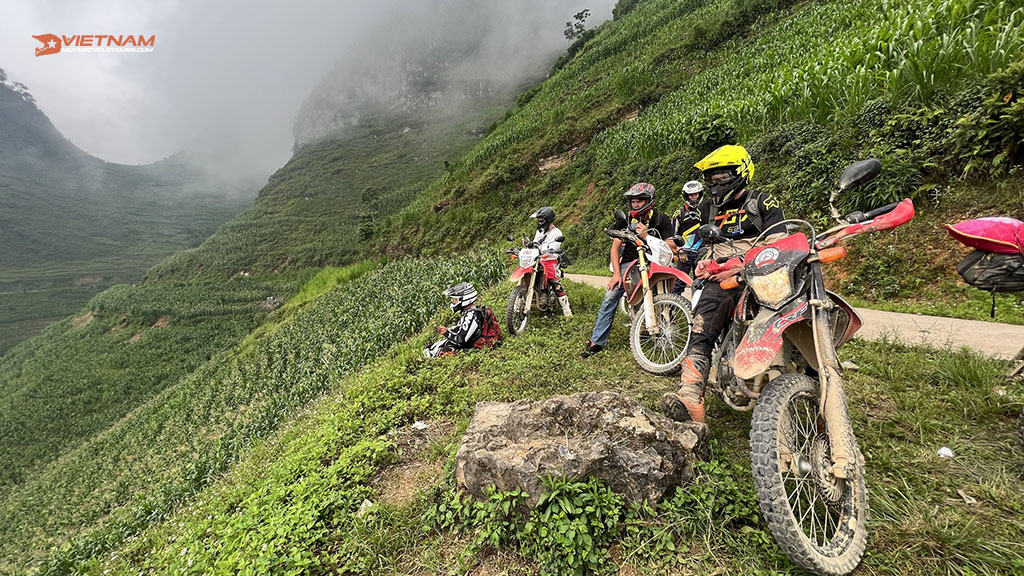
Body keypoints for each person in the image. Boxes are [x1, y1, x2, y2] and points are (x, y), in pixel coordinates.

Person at [660, 145, 786, 423]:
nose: (717, 183)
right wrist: (703, 261)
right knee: (701, 326)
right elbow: (704, 245)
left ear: (741, 172)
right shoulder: (708, 209)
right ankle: (691, 394)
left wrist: (744, 263)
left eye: (723, 176)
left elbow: (779, 242)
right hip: (722, 280)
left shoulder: (763, 202)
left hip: (763, 274)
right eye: (712, 178)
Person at [581, 182, 677, 358]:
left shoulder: (661, 219)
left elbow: (671, 245)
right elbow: (615, 247)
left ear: (649, 201)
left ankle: (670, 322)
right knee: (610, 297)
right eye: (633, 201)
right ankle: (597, 341)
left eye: (640, 200)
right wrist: (616, 274)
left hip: (652, 261)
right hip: (629, 264)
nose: (636, 204)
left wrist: (647, 236)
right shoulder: (624, 219)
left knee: (668, 290)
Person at [424, 282, 495, 357]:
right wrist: (451, 329)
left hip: (477, 346)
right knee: (432, 346)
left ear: (465, 299)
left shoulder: (472, 314)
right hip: (474, 341)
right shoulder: (473, 311)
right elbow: (464, 329)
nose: (453, 302)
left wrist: (446, 332)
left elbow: (461, 340)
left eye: (455, 300)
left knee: (436, 351)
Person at [530, 206, 572, 317]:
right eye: (538, 220)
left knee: (554, 281)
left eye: (541, 220)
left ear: (548, 220)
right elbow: (535, 243)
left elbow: (554, 247)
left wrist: (546, 250)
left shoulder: (557, 233)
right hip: (537, 258)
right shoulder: (539, 231)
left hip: (550, 259)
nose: (539, 223)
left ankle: (566, 309)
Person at [671, 180, 705, 287]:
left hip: (702, 252)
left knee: (701, 281)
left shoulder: (706, 210)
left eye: (696, 194)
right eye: (691, 195)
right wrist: (679, 250)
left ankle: (699, 303)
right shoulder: (679, 213)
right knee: (680, 282)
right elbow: (673, 234)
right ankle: (673, 304)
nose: (694, 197)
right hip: (685, 252)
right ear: (686, 196)